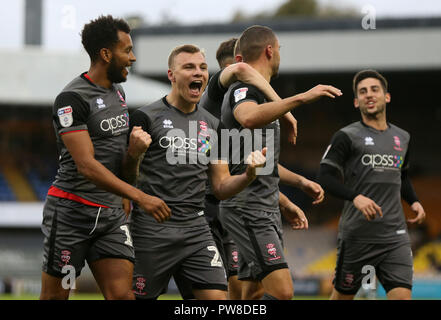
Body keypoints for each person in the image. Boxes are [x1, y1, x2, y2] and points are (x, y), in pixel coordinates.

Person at [40, 15, 170, 300]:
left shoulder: (118, 93)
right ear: (106, 54)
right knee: (57, 297)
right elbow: (87, 166)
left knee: (123, 296)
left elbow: (119, 158)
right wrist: (139, 196)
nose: (133, 58)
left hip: (110, 217)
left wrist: (134, 155)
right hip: (72, 215)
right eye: (127, 50)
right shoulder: (71, 99)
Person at [128, 44, 267, 300]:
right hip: (152, 230)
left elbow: (221, 187)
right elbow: (125, 177)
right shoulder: (145, 117)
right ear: (171, 75)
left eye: (202, 67)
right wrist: (133, 153)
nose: (198, 73)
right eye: (188, 67)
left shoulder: (214, 125)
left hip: (196, 229)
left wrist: (248, 175)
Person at [219, 25, 341, 300]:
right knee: (283, 291)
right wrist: (302, 97)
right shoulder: (243, 89)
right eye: (279, 51)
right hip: (247, 208)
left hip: (263, 206)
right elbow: (247, 116)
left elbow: (261, 163)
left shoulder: (264, 96)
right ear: (270, 51)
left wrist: (299, 182)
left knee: (252, 293)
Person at [318, 69, 426, 300]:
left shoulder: (403, 138)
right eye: (363, 92)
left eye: (374, 89)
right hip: (358, 236)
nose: (369, 94)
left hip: (395, 236)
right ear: (357, 102)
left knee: (402, 297)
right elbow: (324, 177)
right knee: (342, 296)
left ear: (386, 96)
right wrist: (355, 197)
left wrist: (414, 201)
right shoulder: (346, 136)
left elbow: (402, 176)